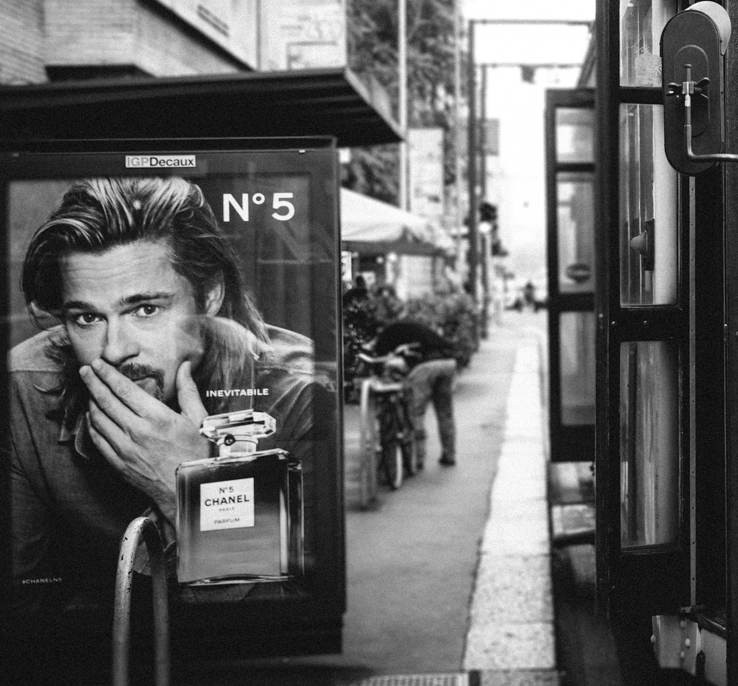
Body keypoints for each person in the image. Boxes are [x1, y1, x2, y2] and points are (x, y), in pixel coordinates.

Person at [8, 177, 325, 613]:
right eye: (86, 318)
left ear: (208, 297)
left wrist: (192, 494)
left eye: (145, 309)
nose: (114, 350)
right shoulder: (25, 387)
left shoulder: (299, 396)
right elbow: (23, 610)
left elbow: (291, 621)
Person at [367, 318, 463, 468]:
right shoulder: (408, 327)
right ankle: (449, 454)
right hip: (448, 363)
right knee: (445, 413)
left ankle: (417, 459)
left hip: (426, 366)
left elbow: (379, 361)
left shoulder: (385, 335)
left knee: (416, 413)